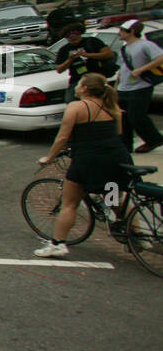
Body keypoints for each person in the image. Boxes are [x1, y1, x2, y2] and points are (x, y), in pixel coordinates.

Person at [33, 74, 133, 257]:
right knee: (114, 192)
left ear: (85, 89)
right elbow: (117, 133)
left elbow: (62, 137)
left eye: (79, 84)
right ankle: (134, 235)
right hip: (116, 157)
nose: (77, 86)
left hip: (88, 160)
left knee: (69, 203)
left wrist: (49, 158)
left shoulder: (77, 107)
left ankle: (58, 244)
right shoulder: (112, 106)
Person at [115, 18, 163, 154]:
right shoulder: (124, 48)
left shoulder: (145, 45)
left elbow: (161, 58)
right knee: (123, 119)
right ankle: (125, 146)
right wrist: (117, 86)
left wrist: (142, 69)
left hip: (141, 86)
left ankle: (154, 140)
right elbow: (122, 68)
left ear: (132, 31)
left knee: (136, 116)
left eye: (123, 31)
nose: (120, 33)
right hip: (124, 87)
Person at [54, 22, 116, 106]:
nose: (72, 36)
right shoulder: (64, 50)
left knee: (103, 102)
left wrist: (87, 55)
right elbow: (59, 69)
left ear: (80, 33)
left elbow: (109, 54)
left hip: (96, 77)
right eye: (68, 35)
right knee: (71, 102)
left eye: (75, 33)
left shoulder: (92, 41)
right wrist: (70, 60)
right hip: (77, 80)